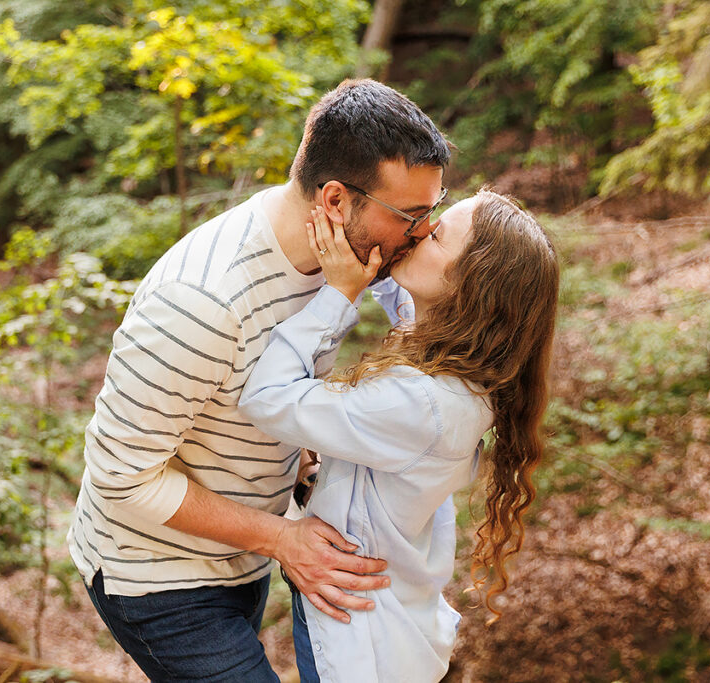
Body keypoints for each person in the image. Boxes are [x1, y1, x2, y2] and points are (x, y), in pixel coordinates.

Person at [66, 78, 452, 681]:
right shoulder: (202, 301)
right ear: (333, 201)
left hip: (242, 558)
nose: (424, 231)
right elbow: (120, 479)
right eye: (413, 215)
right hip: (156, 576)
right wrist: (281, 539)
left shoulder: (343, 261)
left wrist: (300, 464)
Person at [238, 190, 559, 682]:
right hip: (380, 620)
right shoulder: (461, 377)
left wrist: (338, 295)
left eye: (438, 234)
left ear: (471, 285)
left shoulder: (425, 404)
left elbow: (267, 398)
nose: (420, 231)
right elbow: (407, 305)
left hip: (359, 642)